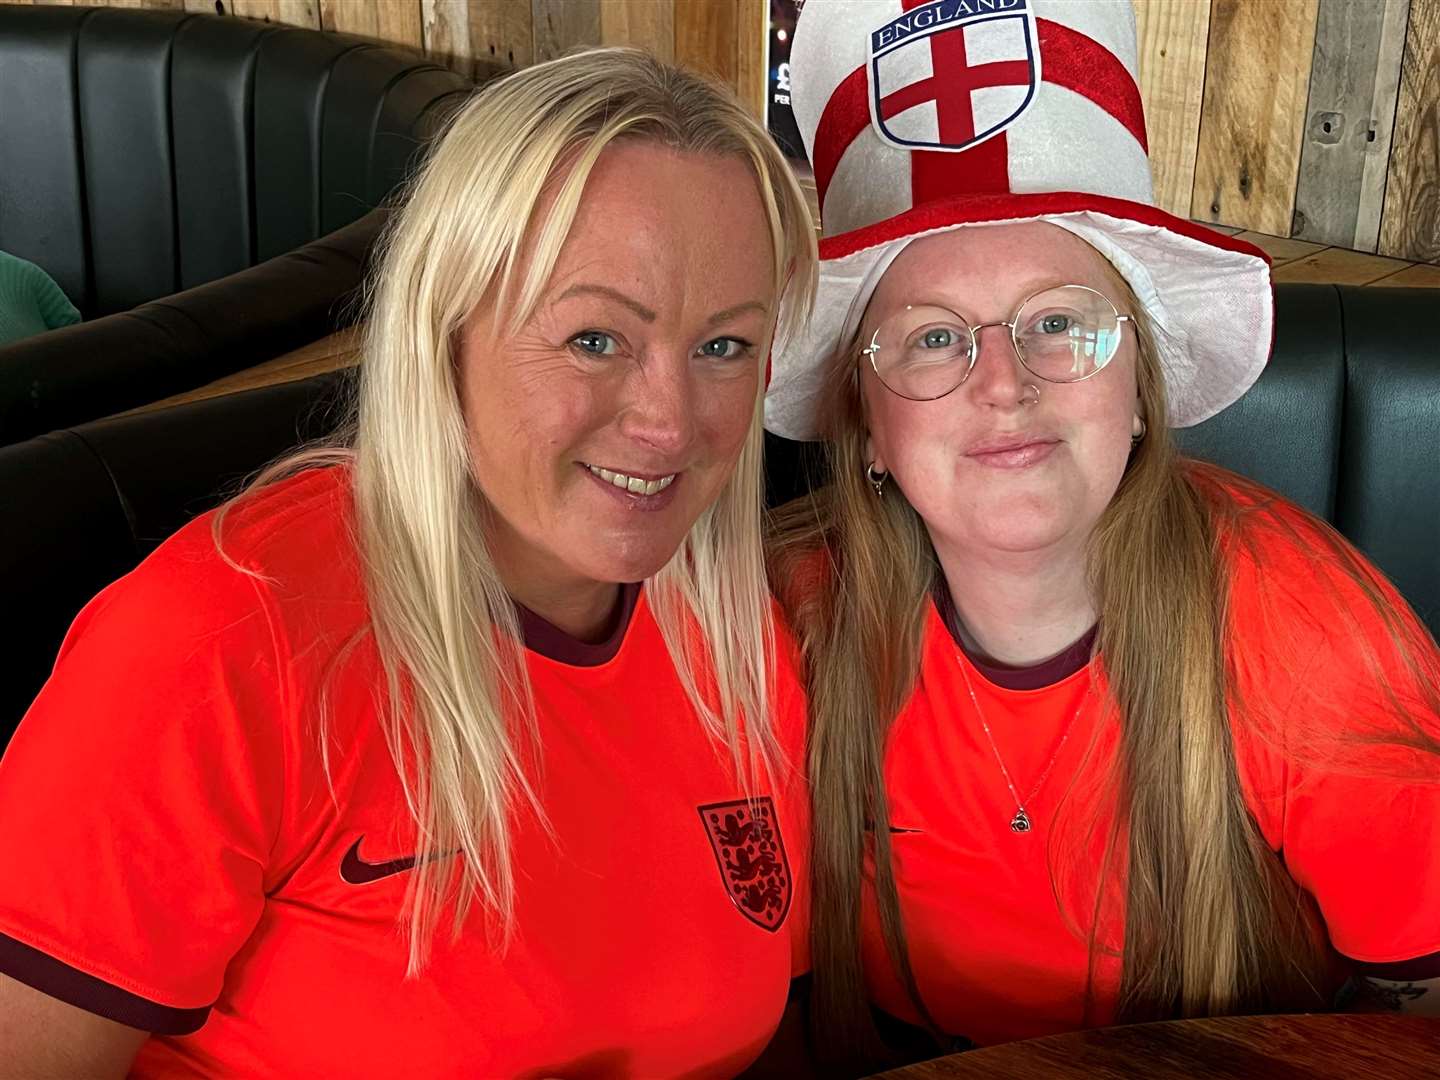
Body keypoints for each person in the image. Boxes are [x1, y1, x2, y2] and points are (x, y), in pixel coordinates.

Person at [0, 48, 817, 1077]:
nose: (671, 422)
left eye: (725, 347)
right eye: (595, 339)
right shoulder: (210, 645)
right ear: (445, 331)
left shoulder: (735, 641)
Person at [764, 1, 1440, 1073]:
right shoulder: (777, 619)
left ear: (1136, 393)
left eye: (1060, 323)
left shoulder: (1297, 619)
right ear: (868, 431)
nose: (1004, 383)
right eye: (934, 338)